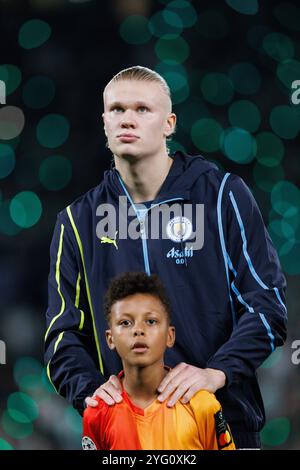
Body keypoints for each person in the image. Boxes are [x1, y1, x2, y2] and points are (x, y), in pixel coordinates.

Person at [44, 65, 287, 449]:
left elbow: (267, 307)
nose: (128, 119)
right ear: (104, 122)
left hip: (221, 427)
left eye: (143, 109)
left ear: (169, 123)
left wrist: (215, 373)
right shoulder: (77, 221)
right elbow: (62, 335)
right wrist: (91, 392)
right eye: (117, 110)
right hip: (124, 437)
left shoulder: (222, 197)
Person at [82, 271, 235, 450]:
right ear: (110, 339)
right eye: (125, 323)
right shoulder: (97, 412)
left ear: (170, 336)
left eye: (151, 321)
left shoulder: (202, 404)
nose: (138, 330)